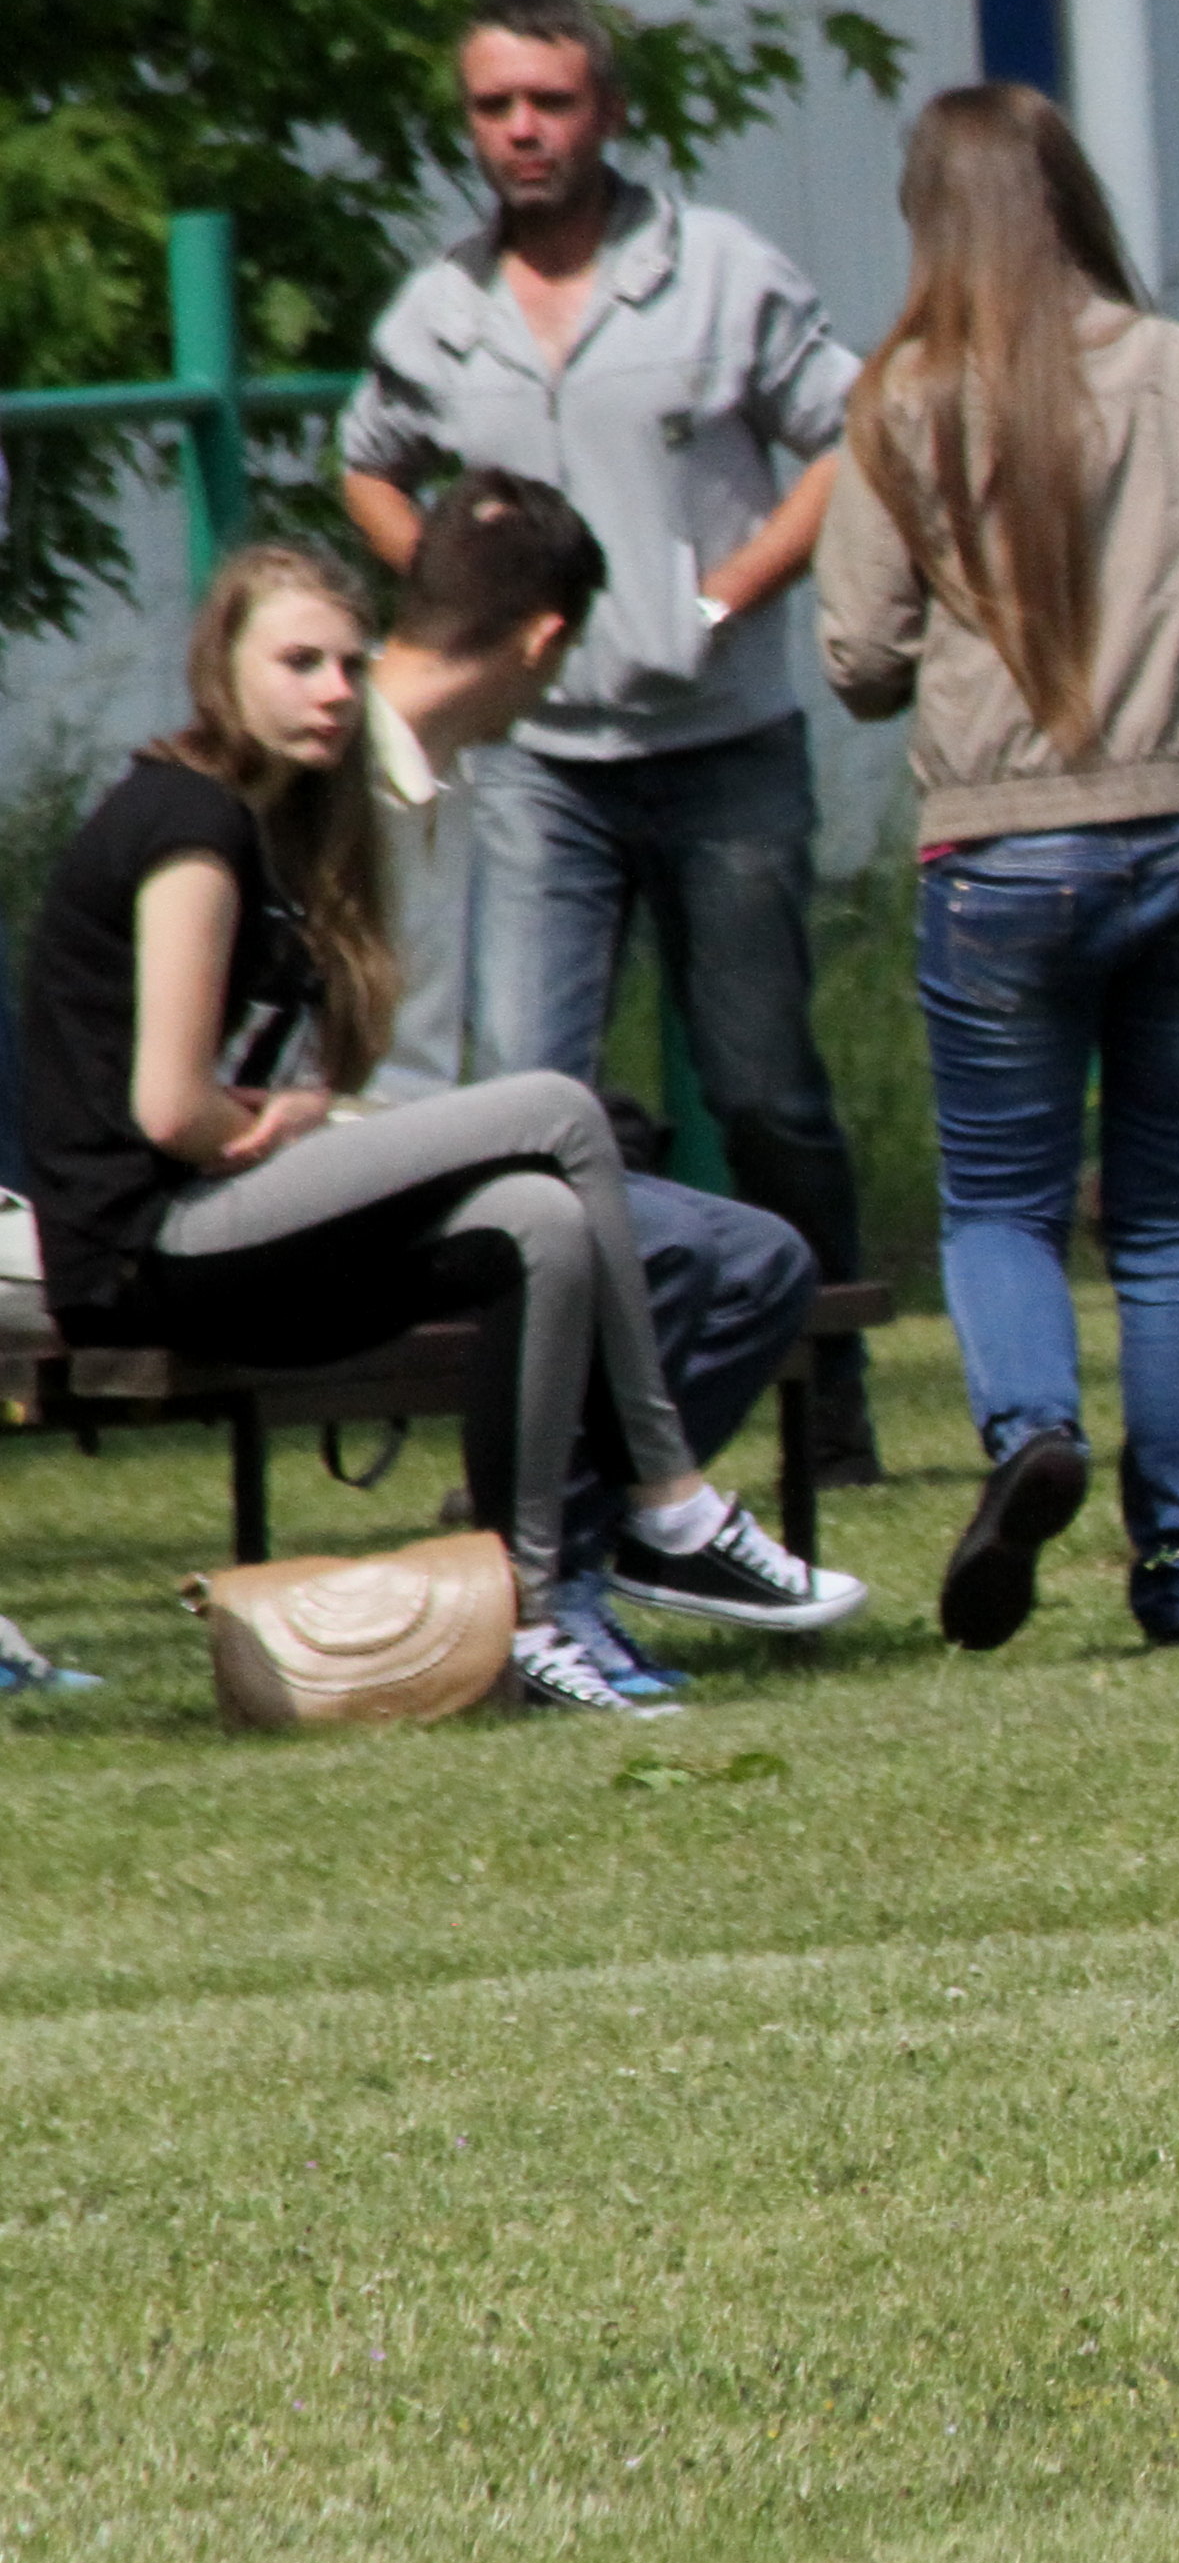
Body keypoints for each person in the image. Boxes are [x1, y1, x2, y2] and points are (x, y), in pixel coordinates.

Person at [16, 545, 860, 1717]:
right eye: (298, 662)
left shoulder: (282, 820)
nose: (333, 691)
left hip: (221, 1221)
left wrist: (296, 1120)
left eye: (349, 666)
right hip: (143, 1249)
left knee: (536, 1216)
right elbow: (170, 1109)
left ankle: (533, 1616)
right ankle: (668, 1502)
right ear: (221, 666)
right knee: (558, 1111)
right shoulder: (187, 820)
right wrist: (295, 1122)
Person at [330, 0, 886, 1499]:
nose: (523, 130)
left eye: (552, 102)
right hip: (540, 766)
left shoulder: (718, 274)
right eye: (495, 106)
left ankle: (827, 1389)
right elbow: (368, 462)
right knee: (527, 1092)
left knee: (763, 1090)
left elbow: (853, 436)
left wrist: (725, 594)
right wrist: (454, 595)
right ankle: (540, 1414)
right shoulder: (443, 309)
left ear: (610, 111)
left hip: (723, 744)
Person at [824, 84, 1179, 1653]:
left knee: (1000, 1205)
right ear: (1075, 199)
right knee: (1169, 1222)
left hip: (1003, 852)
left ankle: (1032, 1429)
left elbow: (860, 660)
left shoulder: (901, 402)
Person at [361, 466, 823, 1699]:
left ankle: (610, 1555)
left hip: (429, 1164)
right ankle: (548, 1589)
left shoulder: (450, 775)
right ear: (544, 642)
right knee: (619, 1232)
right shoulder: (337, 775)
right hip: (347, 1185)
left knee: (760, 1259)